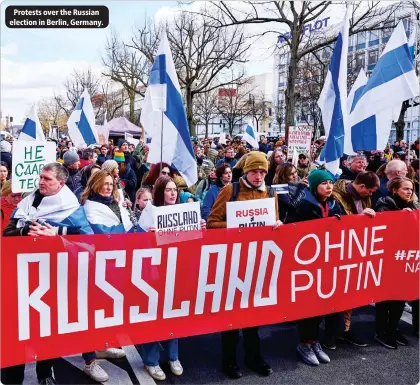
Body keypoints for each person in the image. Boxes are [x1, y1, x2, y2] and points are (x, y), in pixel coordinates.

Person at [2, 163, 94, 385]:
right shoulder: (27, 202)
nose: (41, 181)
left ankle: (45, 375)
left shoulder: (71, 208)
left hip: (52, 279)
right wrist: (25, 231)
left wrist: (57, 233)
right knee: (16, 332)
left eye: (47, 179)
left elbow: (89, 242)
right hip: (21, 278)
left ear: (61, 183)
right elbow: (7, 233)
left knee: (47, 331)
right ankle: (13, 379)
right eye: (41, 177)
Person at [208, 151, 282, 379]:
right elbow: (212, 223)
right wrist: (234, 227)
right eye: (254, 171)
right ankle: (228, 360)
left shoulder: (270, 193)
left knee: (253, 315)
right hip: (233, 261)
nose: (259, 176)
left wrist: (278, 225)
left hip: (257, 261)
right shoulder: (231, 190)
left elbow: (274, 223)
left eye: (262, 172)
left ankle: (253, 357)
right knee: (231, 315)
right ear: (246, 171)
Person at [142, 175, 206, 381]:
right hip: (155, 273)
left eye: (174, 190)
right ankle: (151, 360)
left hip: (178, 270)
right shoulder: (149, 212)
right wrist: (147, 236)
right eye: (168, 189)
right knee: (153, 317)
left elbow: (192, 243)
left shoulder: (184, 212)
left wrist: (200, 229)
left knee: (174, 314)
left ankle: (173, 357)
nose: (172, 193)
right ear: (160, 192)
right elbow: (135, 244)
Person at [285, 169, 343, 366]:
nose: (329, 187)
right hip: (306, 265)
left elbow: (349, 226)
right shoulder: (302, 204)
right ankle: (304, 344)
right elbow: (290, 229)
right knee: (307, 307)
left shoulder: (335, 205)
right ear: (314, 186)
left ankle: (314, 341)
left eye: (331, 183)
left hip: (326, 263)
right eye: (324, 183)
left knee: (321, 305)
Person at [324, 171, 380, 349]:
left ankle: (345, 330)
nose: (370, 195)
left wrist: (369, 215)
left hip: (355, 250)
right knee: (334, 295)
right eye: (369, 191)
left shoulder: (364, 197)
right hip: (336, 252)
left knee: (350, 293)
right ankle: (330, 333)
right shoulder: (336, 196)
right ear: (361, 186)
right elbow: (336, 223)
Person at [374, 177, 419, 349]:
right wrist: (401, 218)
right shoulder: (385, 205)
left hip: (404, 259)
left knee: (400, 297)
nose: (409, 192)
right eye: (406, 189)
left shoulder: (413, 206)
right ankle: (381, 331)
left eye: (411, 189)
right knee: (385, 298)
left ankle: (392, 328)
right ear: (395, 190)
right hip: (387, 260)